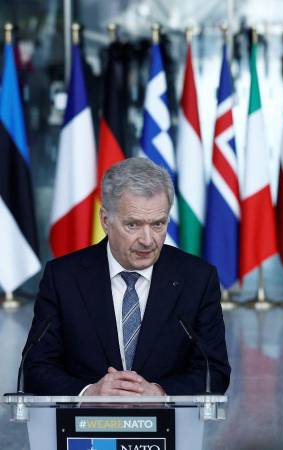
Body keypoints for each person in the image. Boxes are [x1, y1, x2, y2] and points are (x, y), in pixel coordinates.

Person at [23, 157, 230, 396]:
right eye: (133, 225)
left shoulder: (198, 279)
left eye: (158, 224)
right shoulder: (63, 278)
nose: (147, 240)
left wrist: (161, 394)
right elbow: (35, 367)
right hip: (85, 427)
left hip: (168, 426)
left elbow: (214, 371)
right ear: (105, 221)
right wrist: (89, 393)